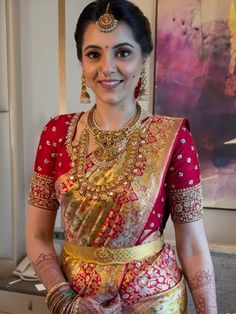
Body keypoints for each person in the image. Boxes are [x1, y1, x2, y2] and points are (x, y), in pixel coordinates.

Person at [25, 0, 217, 313]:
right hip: (75, 303)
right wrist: (64, 300)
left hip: (155, 303)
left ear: (143, 58)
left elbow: (193, 245)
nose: (107, 67)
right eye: (93, 54)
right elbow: (36, 235)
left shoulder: (173, 138)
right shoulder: (56, 133)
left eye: (123, 52)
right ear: (81, 61)